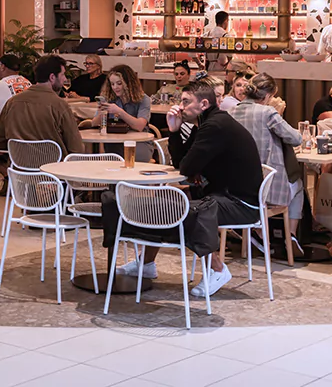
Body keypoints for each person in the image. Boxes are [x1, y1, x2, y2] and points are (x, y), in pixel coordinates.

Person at [103, 79, 264, 296]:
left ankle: (218, 269)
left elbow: (186, 167)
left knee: (180, 211)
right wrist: (175, 131)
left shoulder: (215, 126)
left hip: (240, 203)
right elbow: (182, 164)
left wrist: (185, 152)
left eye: (186, 101)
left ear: (204, 104)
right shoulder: (206, 124)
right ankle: (147, 264)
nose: (180, 106)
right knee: (162, 205)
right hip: (220, 195)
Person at [0, 54, 83, 187]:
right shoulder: (59, 105)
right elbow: (77, 148)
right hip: (54, 176)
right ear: (52, 77)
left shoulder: (12, 103)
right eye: (62, 75)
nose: (64, 79)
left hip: (20, 175)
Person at [230, 73, 305, 257]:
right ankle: (291, 236)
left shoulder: (232, 112)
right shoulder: (267, 112)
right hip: (266, 186)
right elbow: (296, 138)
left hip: (237, 186)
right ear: (268, 96)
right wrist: (277, 112)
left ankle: (258, 234)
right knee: (299, 186)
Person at [99, 64, 152, 132]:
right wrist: (102, 112)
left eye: (119, 83)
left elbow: (140, 126)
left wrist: (119, 111)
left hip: (137, 140)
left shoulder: (143, 99)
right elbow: (94, 123)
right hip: (114, 137)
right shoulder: (109, 98)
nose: (115, 87)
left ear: (129, 84)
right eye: (112, 84)